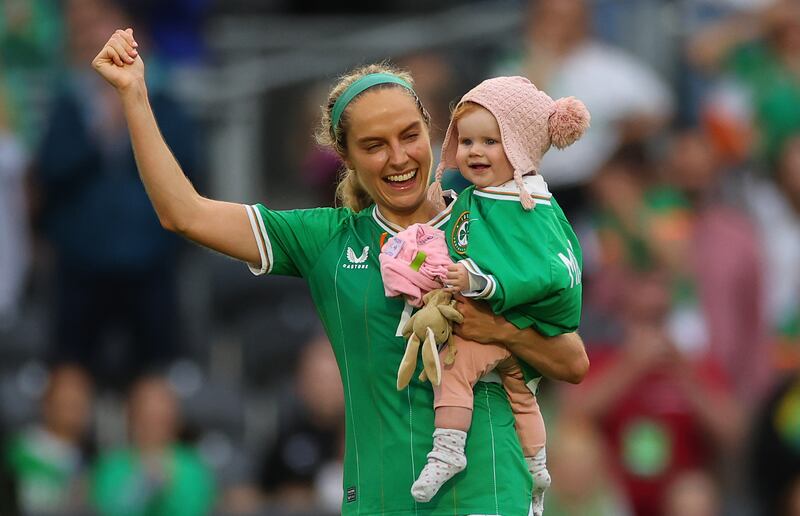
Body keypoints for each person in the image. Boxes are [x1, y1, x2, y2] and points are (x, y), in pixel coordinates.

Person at [92, 28, 589, 515]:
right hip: (377, 501)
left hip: (489, 495)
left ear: (431, 129)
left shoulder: (491, 218)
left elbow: (572, 361)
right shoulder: (327, 239)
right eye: (374, 145)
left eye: (409, 135)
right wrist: (134, 93)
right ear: (345, 157)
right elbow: (184, 213)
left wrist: (495, 327)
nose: (398, 157)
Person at [383, 76, 588, 514]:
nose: (475, 151)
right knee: (522, 397)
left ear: (521, 147)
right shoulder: (484, 197)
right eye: (467, 140)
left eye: (491, 141)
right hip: (515, 349)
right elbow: (459, 241)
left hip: (511, 332)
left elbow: (543, 277)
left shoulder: (526, 207)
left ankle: (449, 448)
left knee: (457, 370)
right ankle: (537, 471)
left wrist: (484, 287)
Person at [90, 376, 216, 516]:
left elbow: (196, 509)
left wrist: (167, 490)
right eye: (147, 417)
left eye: (161, 419)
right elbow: (109, 508)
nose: (154, 425)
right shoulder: (112, 465)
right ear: (132, 417)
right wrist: (141, 487)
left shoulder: (193, 467)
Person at [5, 364, 94, 513]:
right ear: (47, 401)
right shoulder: (17, 454)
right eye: (67, 395)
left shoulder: (93, 461)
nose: (75, 402)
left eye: (81, 395)